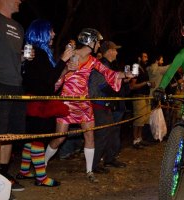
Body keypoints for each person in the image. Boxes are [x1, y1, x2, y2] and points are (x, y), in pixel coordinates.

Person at [44, 28, 133, 183]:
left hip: (84, 102)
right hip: (67, 102)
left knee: (89, 136)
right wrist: (65, 69)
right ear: (90, 41)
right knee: (60, 138)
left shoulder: (93, 61)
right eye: (97, 42)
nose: (99, 45)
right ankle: (42, 165)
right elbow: (54, 76)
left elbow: (109, 73)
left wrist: (126, 75)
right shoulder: (70, 54)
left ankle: (89, 171)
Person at [16, 19, 77, 187]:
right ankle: (41, 178)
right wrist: (63, 60)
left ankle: (24, 170)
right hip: (38, 102)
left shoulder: (40, 52)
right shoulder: (38, 53)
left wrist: (65, 69)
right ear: (41, 32)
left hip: (36, 100)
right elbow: (48, 82)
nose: (54, 34)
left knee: (31, 138)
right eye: (51, 31)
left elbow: (49, 77)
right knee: (38, 140)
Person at [0, 0, 27, 193]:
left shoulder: (18, 27)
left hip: (16, 85)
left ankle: (3, 174)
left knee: (10, 132)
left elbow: (15, 56)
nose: (20, 1)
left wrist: (23, 58)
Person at [89, 40, 127, 174]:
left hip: (106, 105)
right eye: (115, 50)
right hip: (99, 104)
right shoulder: (101, 65)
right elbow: (101, 86)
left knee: (109, 133)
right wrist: (116, 92)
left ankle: (108, 159)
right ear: (109, 51)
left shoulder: (109, 65)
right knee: (101, 135)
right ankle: (94, 165)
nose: (116, 52)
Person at [129, 52, 155, 149]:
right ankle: (135, 140)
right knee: (138, 120)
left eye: (147, 56)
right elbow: (132, 86)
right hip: (138, 97)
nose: (147, 58)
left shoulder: (144, 69)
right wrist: (145, 83)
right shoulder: (136, 67)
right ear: (139, 58)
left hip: (145, 96)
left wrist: (150, 84)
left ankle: (139, 139)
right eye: (144, 56)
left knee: (143, 120)